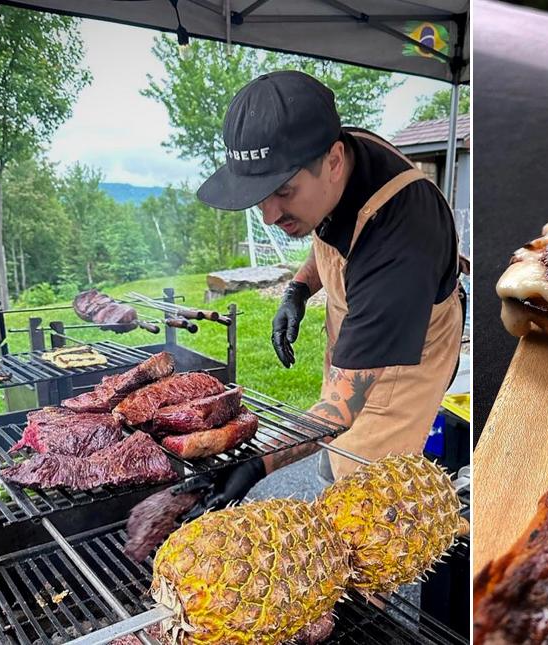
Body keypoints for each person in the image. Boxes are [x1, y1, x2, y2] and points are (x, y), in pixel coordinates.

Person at [189, 70, 463, 509]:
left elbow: (341, 409)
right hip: (361, 323)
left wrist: (256, 465)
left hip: (405, 356)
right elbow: (331, 236)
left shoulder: (399, 239)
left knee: (363, 490)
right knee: (329, 450)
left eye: (282, 192)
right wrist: (297, 289)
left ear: (333, 162)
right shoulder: (334, 164)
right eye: (260, 194)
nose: (268, 215)